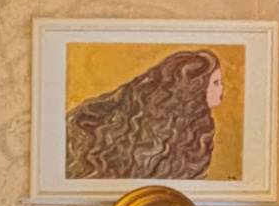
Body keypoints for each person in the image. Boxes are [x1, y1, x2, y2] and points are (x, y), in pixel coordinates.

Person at [65, 50, 222, 181]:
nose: (221, 89)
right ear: (195, 87)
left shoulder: (200, 128)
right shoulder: (154, 127)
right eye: (216, 83)